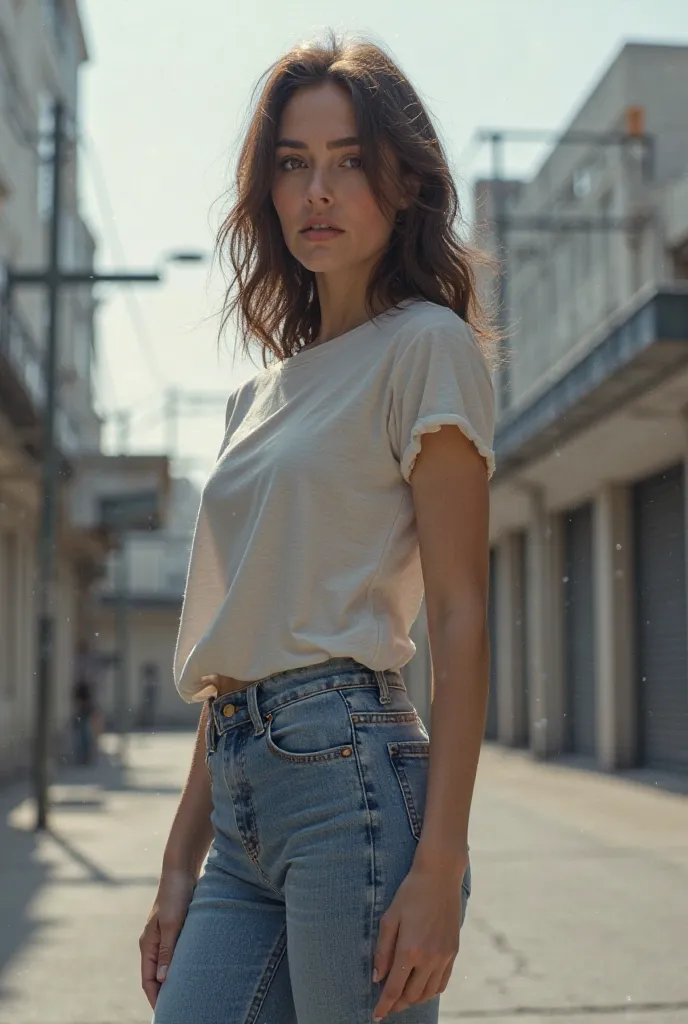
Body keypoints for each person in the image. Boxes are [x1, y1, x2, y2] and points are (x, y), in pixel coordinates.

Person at [140, 33, 497, 1024]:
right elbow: (235, 642)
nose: (317, 192)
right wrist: (178, 860)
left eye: (346, 161)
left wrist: (442, 863)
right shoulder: (257, 396)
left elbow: (462, 616)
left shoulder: (426, 348)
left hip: (351, 786)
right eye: (293, 164)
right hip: (241, 790)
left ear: (402, 177)